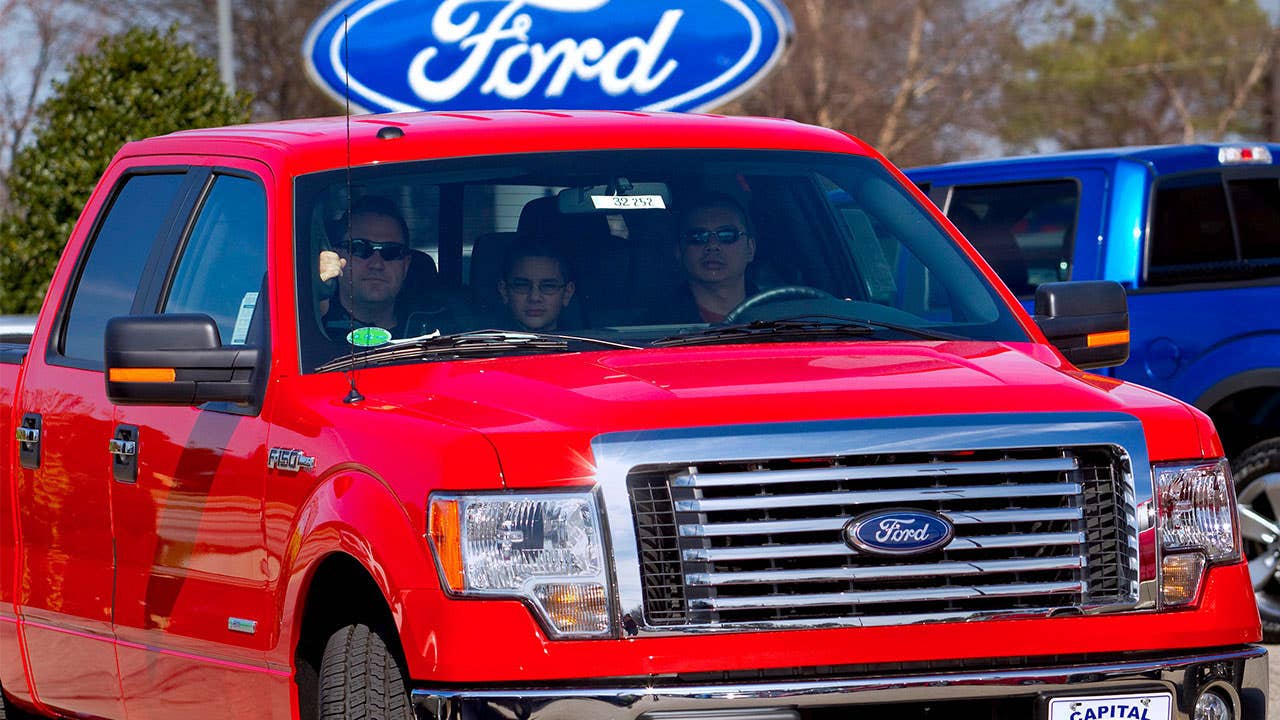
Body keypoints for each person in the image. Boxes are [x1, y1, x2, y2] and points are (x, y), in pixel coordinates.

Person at [318, 196, 414, 338]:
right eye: (359, 248)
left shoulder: (441, 328)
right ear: (336, 256)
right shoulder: (308, 327)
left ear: (406, 265)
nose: (376, 264)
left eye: (391, 251)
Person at [665, 192, 757, 323]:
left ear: (750, 248)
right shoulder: (654, 326)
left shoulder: (781, 316)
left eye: (726, 235)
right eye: (698, 236)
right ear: (679, 251)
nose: (712, 245)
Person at [497, 240, 576, 331]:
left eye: (548, 286)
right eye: (522, 285)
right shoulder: (485, 342)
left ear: (567, 293)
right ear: (504, 291)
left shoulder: (584, 343)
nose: (534, 298)